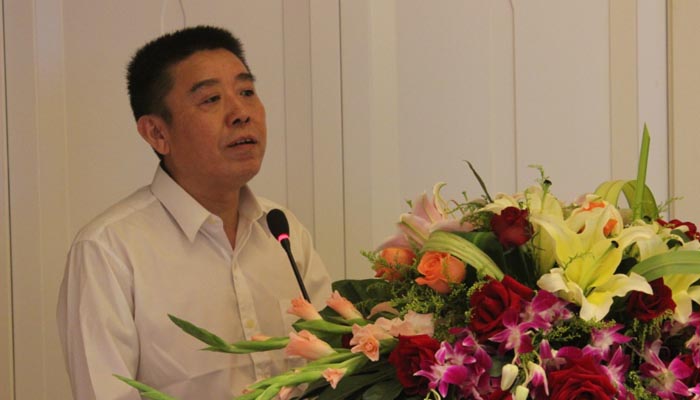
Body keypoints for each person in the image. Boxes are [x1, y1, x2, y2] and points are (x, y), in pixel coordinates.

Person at [57, 25, 332, 400]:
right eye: (211, 99)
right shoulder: (108, 251)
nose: (241, 113)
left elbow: (334, 367)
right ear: (157, 133)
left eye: (246, 92)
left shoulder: (283, 230)